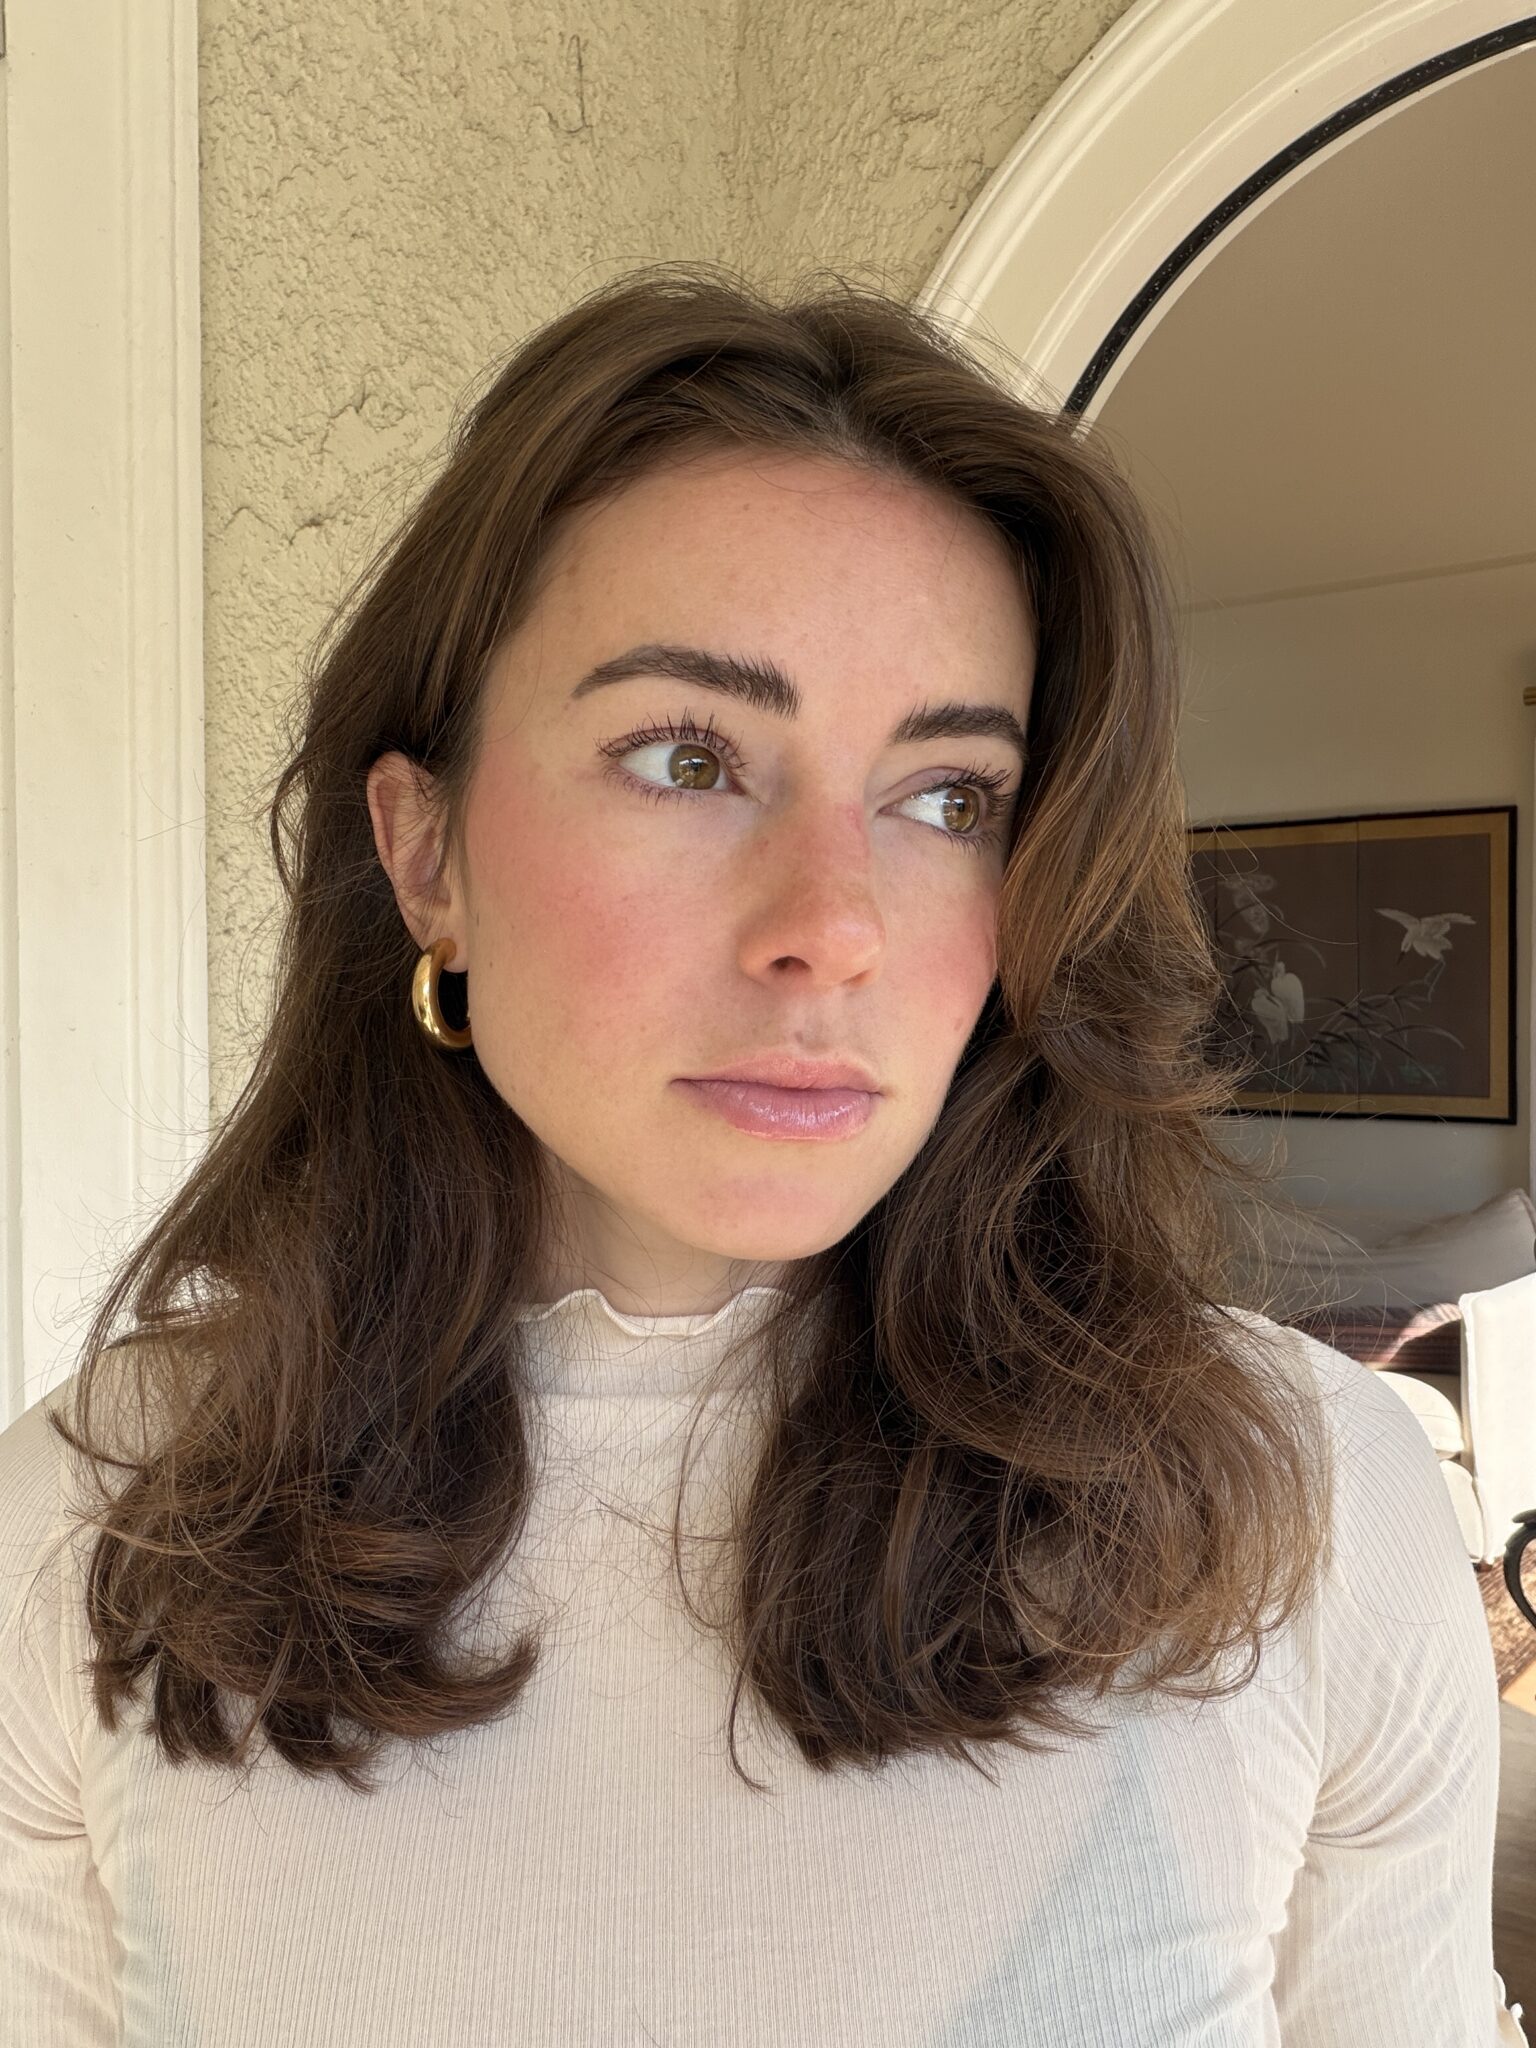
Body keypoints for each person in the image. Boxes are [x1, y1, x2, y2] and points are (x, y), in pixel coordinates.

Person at [0, 263, 1522, 2045]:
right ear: (426, 859)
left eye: (950, 797)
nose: (834, 927)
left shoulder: (1300, 1510)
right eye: (684, 756)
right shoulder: (93, 1526)